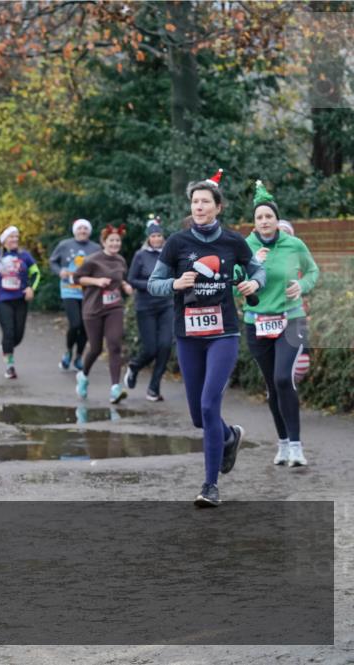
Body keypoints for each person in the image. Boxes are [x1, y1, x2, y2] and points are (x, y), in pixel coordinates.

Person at [148, 169, 266, 508]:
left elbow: (258, 269)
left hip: (223, 333)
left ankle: (210, 486)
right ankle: (230, 436)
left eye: (205, 202)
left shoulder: (232, 241)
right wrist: (175, 284)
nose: (199, 207)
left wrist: (254, 283)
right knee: (199, 417)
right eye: (195, 202)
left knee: (209, 404)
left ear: (217, 206)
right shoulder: (176, 243)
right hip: (188, 335)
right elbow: (154, 283)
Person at [243, 181, 319, 467]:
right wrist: (252, 266)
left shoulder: (293, 243)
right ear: (254, 222)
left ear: (277, 220)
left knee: (283, 379)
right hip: (256, 322)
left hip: (291, 319)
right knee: (272, 387)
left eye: (269, 216)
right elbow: (235, 286)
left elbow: (313, 271)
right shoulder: (245, 247)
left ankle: (297, 447)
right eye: (259, 217)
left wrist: (302, 285)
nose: (264, 221)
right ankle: (283, 443)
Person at [73, 224, 135, 404]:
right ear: (103, 242)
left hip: (114, 307)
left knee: (115, 344)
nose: (115, 244)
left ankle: (115, 388)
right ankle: (83, 376)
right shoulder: (93, 260)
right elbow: (77, 278)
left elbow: (120, 277)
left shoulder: (121, 260)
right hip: (93, 309)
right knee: (95, 348)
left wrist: (124, 285)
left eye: (118, 241)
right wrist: (96, 281)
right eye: (112, 241)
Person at [0, 225, 40, 379]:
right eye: (11, 237)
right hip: (1, 299)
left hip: (20, 299)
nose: (15, 239)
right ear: (4, 240)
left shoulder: (24, 255)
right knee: (9, 331)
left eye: (16, 237)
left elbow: (35, 272)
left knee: (18, 335)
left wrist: (31, 288)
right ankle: (10, 366)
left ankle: (6, 347)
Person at [125, 216, 175, 401]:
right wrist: (152, 284)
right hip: (145, 306)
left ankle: (154, 388)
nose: (157, 239)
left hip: (166, 305)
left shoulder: (168, 253)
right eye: (153, 236)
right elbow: (132, 280)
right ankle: (135, 366)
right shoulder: (140, 255)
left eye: (159, 235)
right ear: (148, 238)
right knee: (151, 349)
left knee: (165, 346)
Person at [49, 219, 101, 371]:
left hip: (88, 292)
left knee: (86, 326)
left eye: (85, 229)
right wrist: (60, 271)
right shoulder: (64, 245)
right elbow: (53, 261)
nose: (83, 231)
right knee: (75, 323)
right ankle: (68, 351)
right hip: (69, 289)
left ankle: (78, 356)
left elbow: (102, 265)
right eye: (80, 228)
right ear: (75, 231)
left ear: (89, 231)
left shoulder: (96, 248)